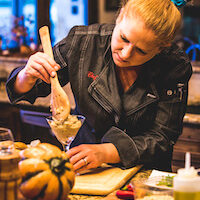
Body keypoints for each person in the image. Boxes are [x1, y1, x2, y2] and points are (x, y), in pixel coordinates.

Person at [6, 0, 192, 173]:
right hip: (84, 168)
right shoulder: (82, 42)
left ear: (162, 48)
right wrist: (27, 75)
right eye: (124, 38)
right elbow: (30, 88)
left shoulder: (174, 66)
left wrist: (107, 152)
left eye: (141, 51)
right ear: (119, 17)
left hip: (146, 174)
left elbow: (162, 137)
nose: (126, 54)